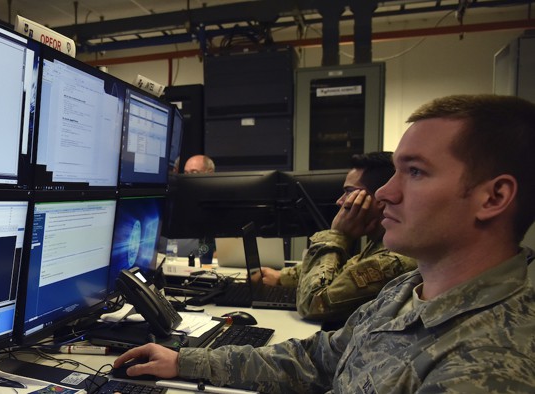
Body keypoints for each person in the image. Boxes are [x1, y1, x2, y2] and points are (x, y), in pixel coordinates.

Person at [113, 94, 535, 392]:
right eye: (394, 172)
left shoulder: (490, 364)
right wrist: (183, 361)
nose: (385, 193)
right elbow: (315, 360)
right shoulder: (407, 293)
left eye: (417, 172)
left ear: (493, 198)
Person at [258, 152, 417, 325]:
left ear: (379, 197)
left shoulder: (394, 258)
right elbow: (345, 270)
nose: (340, 201)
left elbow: (312, 304)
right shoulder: (379, 242)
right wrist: (281, 277)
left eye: (349, 192)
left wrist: (336, 236)